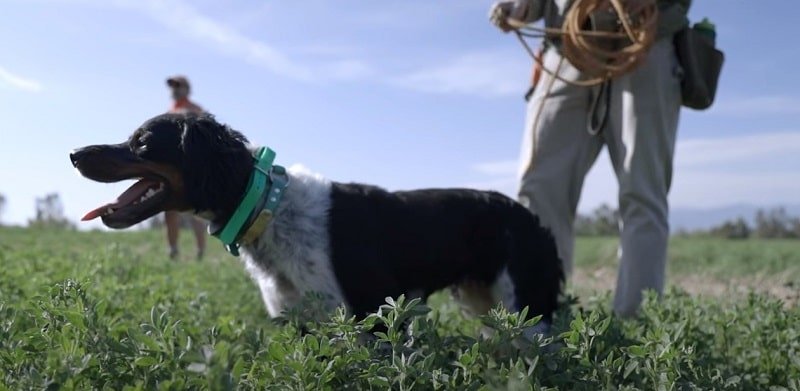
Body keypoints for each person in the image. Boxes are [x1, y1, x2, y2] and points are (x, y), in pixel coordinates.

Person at [490, 0, 691, 317]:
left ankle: (637, 336)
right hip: (566, 49)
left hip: (647, 43)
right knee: (538, 192)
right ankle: (538, 325)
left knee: (643, 192)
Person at [164, 75, 207, 260]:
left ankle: (200, 252)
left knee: (195, 211)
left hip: (192, 168)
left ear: (187, 89)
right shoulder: (169, 111)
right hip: (173, 168)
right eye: (172, 85)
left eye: (178, 85)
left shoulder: (195, 110)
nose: (175, 88)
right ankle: (173, 250)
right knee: (169, 210)